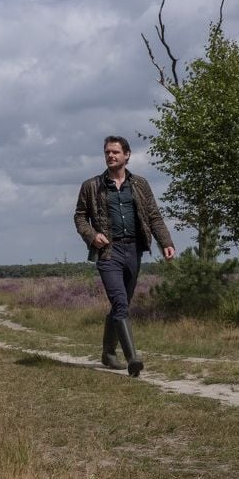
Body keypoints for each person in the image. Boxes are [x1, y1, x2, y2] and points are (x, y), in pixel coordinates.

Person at [73, 135, 175, 376]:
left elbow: (154, 216)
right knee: (120, 303)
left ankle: (108, 353)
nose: (110, 155)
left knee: (122, 304)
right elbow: (80, 217)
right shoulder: (91, 185)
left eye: (115, 152)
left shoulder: (140, 184)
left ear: (127, 155)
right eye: (107, 152)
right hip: (108, 252)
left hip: (134, 250)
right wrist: (92, 235)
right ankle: (132, 359)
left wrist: (166, 242)